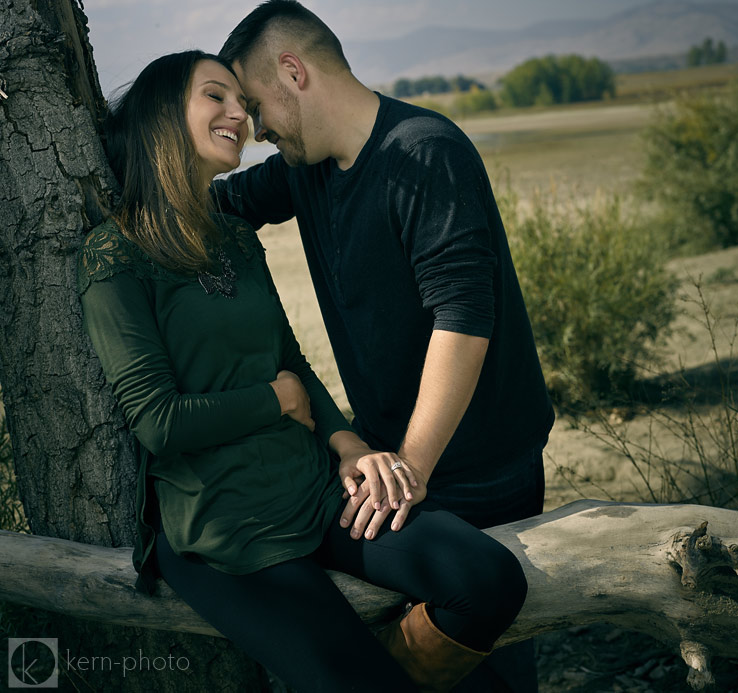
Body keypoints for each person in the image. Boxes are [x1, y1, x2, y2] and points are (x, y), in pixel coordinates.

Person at [77, 49, 527, 693]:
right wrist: (273, 399)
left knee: (491, 579)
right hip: (224, 531)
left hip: (315, 489)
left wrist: (348, 446)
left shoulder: (233, 235)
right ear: (161, 119)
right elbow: (157, 424)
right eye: (217, 97)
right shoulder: (113, 255)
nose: (241, 116)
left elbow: (290, 361)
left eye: (244, 101)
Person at [213, 5, 554, 687]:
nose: (255, 130)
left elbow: (462, 320)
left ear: (292, 71)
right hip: (392, 467)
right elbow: (219, 204)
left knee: (492, 668)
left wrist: (412, 465)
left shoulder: (423, 151)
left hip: (481, 472)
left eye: (253, 105)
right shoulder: (302, 167)